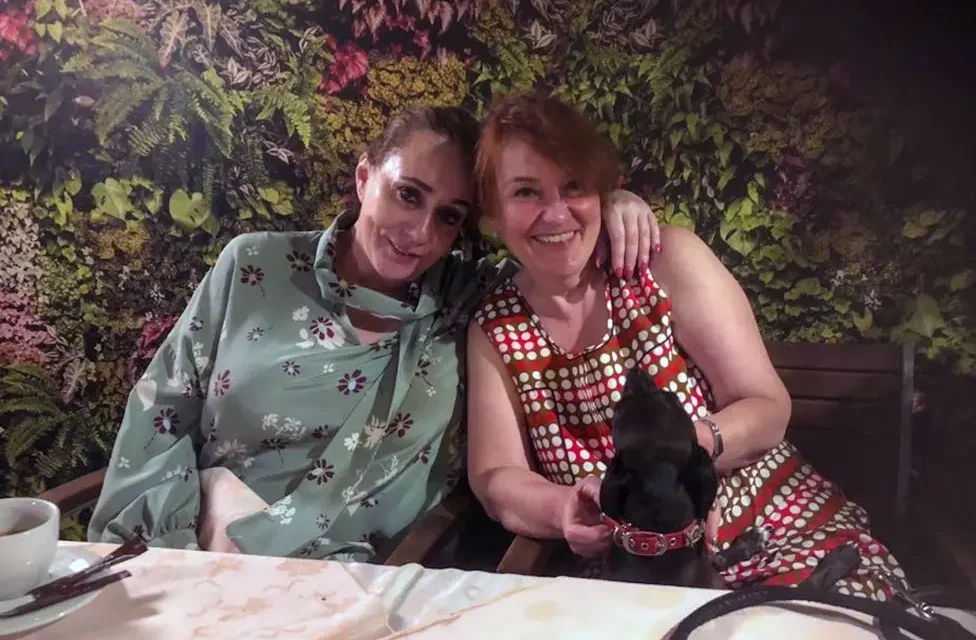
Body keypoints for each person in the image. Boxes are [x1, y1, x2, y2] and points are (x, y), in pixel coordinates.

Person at [88, 105, 663, 561]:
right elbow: (161, 416)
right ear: (365, 177)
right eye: (408, 194)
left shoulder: (470, 301)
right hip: (204, 552)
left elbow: (550, 248)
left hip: (363, 585)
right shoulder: (254, 267)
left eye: (449, 216)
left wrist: (610, 204)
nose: (419, 232)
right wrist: (174, 558)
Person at [465, 92, 906, 599]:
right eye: (526, 192)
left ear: (600, 193)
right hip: (632, 573)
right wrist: (560, 507)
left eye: (574, 186)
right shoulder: (496, 326)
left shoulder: (664, 260)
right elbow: (495, 476)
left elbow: (768, 406)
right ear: (493, 212)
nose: (556, 212)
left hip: (773, 528)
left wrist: (684, 451)